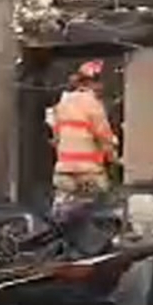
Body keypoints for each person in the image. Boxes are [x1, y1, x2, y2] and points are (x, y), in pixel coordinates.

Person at [49, 60, 118, 211]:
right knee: (98, 212)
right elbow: (104, 137)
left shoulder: (62, 103)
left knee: (62, 217)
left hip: (63, 172)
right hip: (89, 174)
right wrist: (113, 159)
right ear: (94, 83)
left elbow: (56, 138)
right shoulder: (93, 104)